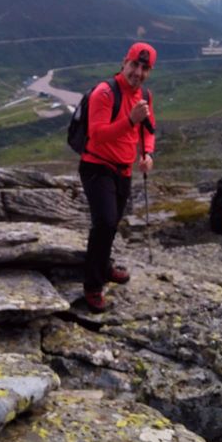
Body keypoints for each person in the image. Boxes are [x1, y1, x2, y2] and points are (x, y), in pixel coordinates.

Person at [79, 42, 157, 313]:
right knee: (104, 223)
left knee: (111, 224)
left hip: (123, 170)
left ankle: (104, 266)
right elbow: (97, 135)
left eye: (145, 68)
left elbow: (148, 130)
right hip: (97, 166)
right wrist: (130, 121)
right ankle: (92, 286)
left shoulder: (145, 95)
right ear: (124, 62)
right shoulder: (104, 92)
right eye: (135, 65)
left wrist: (147, 154)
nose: (138, 72)